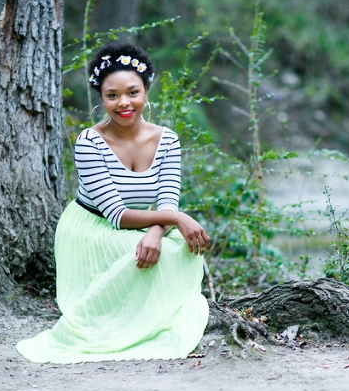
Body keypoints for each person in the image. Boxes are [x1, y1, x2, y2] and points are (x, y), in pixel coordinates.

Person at [17, 43, 210, 363]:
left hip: (145, 221)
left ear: (146, 91)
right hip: (93, 227)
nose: (124, 103)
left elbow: (167, 199)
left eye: (133, 92)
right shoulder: (89, 142)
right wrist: (175, 220)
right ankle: (115, 325)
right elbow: (116, 214)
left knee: (183, 250)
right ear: (102, 98)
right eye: (112, 95)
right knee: (138, 249)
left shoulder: (167, 140)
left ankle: (151, 321)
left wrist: (158, 230)